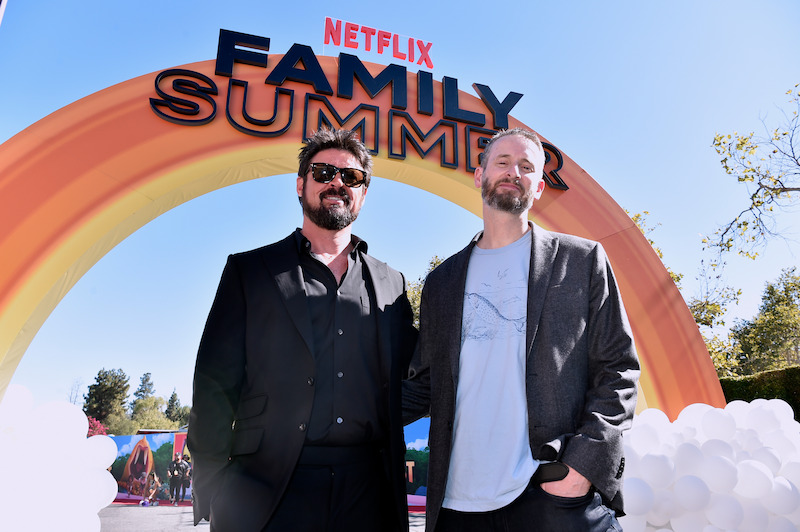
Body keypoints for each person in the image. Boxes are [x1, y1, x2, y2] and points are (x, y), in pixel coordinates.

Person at [403, 127, 640, 532]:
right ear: (479, 176)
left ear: (540, 186)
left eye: (527, 166)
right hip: (457, 504)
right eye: (503, 162)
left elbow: (618, 369)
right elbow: (424, 383)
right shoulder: (441, 281)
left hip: (553, 493)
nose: (514, 171)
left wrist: (582, 466)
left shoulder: (582, 260)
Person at [187, 128, 418, 531]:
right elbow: (213, 383)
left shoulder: (391, 284)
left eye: (351, 177)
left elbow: (415, 375)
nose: (336, 183)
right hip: (270, 488)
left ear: (363, 193)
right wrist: (212, 483)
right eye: (324, 172)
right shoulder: (250, 272)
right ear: (300, 184)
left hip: (369, 490)